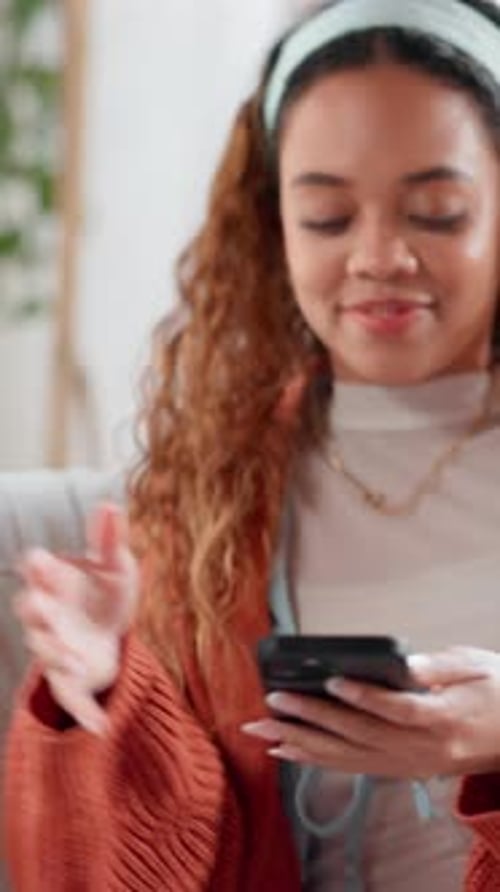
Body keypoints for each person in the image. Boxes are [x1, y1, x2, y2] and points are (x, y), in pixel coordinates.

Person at [6, 0, 500, 888]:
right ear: (274, 228)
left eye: (438, 211)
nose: (379, 256)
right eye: (327, 217)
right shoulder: (213, 494)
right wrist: (109, 689)